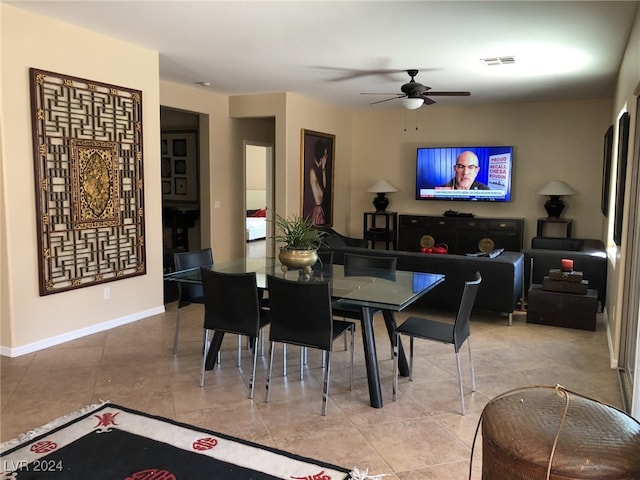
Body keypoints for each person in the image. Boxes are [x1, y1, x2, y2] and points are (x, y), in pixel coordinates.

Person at [307, 139, 328, 225]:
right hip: (317, 211)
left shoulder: (319, 171)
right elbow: (322, 193)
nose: (326, 158)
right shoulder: (313, 171)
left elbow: (325, 187)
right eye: (325, 155)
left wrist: (323, 169)